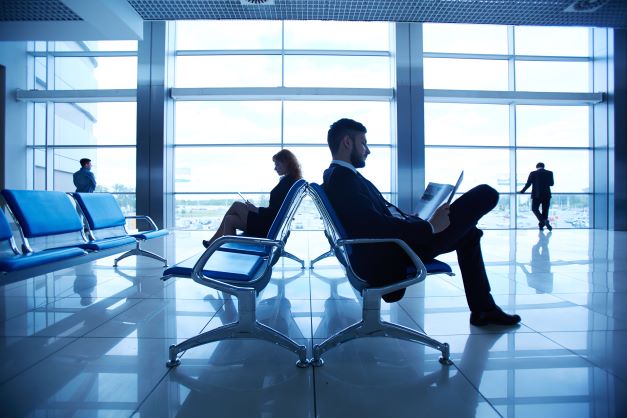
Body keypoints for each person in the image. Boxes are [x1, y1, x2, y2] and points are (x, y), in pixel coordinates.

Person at [322, 118, 521, 327]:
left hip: (396, 245)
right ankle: (484, 309)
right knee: (485, 193)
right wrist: (430, 226)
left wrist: (412, 218)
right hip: (396, 252)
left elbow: (370, 217)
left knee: (470, 235)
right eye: (363, 143)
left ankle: (484, 310)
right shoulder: (344, 181)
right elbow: (373, 226)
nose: (368, 150)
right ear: (347, 143)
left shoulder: (341, 177)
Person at [202, 149, 302, 248]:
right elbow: (277, 210)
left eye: (277, 165)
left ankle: (213, 242)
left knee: (236, 205)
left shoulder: (287, 184)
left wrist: (256, 209)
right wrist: (256, 209)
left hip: (267, 226)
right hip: (269, 224)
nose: (275, 168)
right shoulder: (291, 182)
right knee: (230, 220)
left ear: (286, 163)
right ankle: (230, 252)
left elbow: (274, 212)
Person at [519, 162, 554, 231]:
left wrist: (522, 191)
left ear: (536, 167)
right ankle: (542, 224)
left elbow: (528, 184)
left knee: (534, 209)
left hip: (536, 195)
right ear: (543, 167)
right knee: (545, 210)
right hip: (547, 195)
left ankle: (542, 222)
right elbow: (551, 184)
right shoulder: (550, 173)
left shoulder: (533, 173)